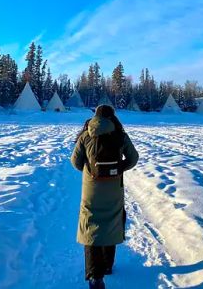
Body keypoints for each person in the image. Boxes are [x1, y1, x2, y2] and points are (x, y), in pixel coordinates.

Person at [70, 105, 139, 289]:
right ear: (112, 117)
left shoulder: (86, 135)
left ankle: (95, 276)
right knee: (111, 222)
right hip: (114, 189)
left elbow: (75, 162)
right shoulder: (120, 135)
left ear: (95, 116)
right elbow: (133, 158)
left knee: (91, 225)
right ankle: (107, 265)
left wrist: (91, 170)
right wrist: (117, 169)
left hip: (91, 189)